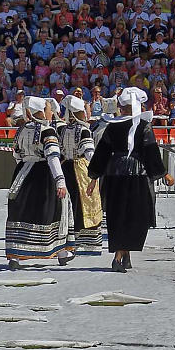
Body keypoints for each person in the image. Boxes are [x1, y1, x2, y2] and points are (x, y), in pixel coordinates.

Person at [89, 85, 169, 272]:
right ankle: (118, 257)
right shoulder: (144, 127)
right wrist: (163, 173)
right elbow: (151, 152)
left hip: (113, 174)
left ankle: (126, 256)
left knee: (118, 215)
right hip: (137, 175)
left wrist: (94, 175)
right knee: (135, 215)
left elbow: (102, 152)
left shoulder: (112, 127)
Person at [4, 96, 71, 270]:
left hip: (23, 173)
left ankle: (15, 255)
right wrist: (60, 180)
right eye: (49, 109)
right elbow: (53, 157)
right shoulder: (47, 130)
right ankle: (61, 252)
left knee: (21, 211)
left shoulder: (21, 130)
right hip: (43, 174)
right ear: (41, 111)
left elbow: (16, 155)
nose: (51, 113)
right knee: (55, 210)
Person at [58, 94, 105, 258]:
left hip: (66, 167)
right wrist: (98, 168)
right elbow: (90, 153)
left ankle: (68, 238)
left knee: (69, 204)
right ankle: (83, 239)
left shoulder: (63, 130)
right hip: (81, 168)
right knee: (84, 202)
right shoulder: (83, 130)